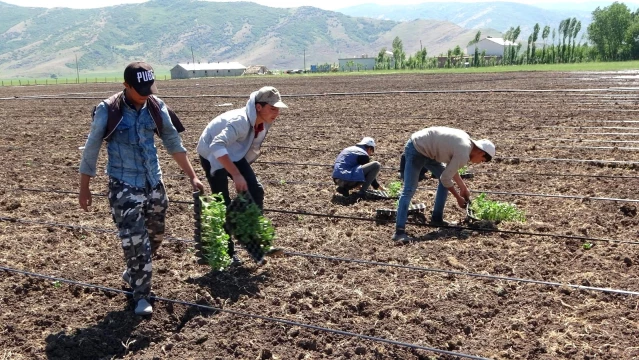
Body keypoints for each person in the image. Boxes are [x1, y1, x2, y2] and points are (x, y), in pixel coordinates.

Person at [79, 61, 204, 316]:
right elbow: (92, 148)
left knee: (155, 237)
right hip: (124, 185)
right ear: (126, 86)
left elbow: (172, 140)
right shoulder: (108, 110)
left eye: (149, 87)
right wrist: (85, 187)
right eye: (140, 89)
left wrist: (192, 176)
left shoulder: (156, 106)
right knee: (137, 244)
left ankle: (134, 272)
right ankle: (141, 296)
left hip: (154, 183)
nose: (146, 93)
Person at [196, 86, 286, 265]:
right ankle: (228, 254)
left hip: (233, 153)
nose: (276, 113)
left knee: (256, 190)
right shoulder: (240, 121)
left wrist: (240, 172)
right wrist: (236, 174)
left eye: (278, 109)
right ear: (258, 107)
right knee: (223, 201)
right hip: (212, 154)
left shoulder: (264, 121)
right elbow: (216, 146)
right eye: (272, 108)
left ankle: (256, 243)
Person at [392, 126, 495, 243]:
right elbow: (446, 178)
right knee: (409, 189)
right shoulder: (464, 153)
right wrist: (458, 198)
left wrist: (463, 187)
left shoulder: (466, 142)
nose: (478, 163)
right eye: (481, 160)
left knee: (443, 181)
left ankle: (437, 218)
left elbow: (450, 170)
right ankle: (399, 232)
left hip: (430, 151)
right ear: (481, 152)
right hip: (417, 147)